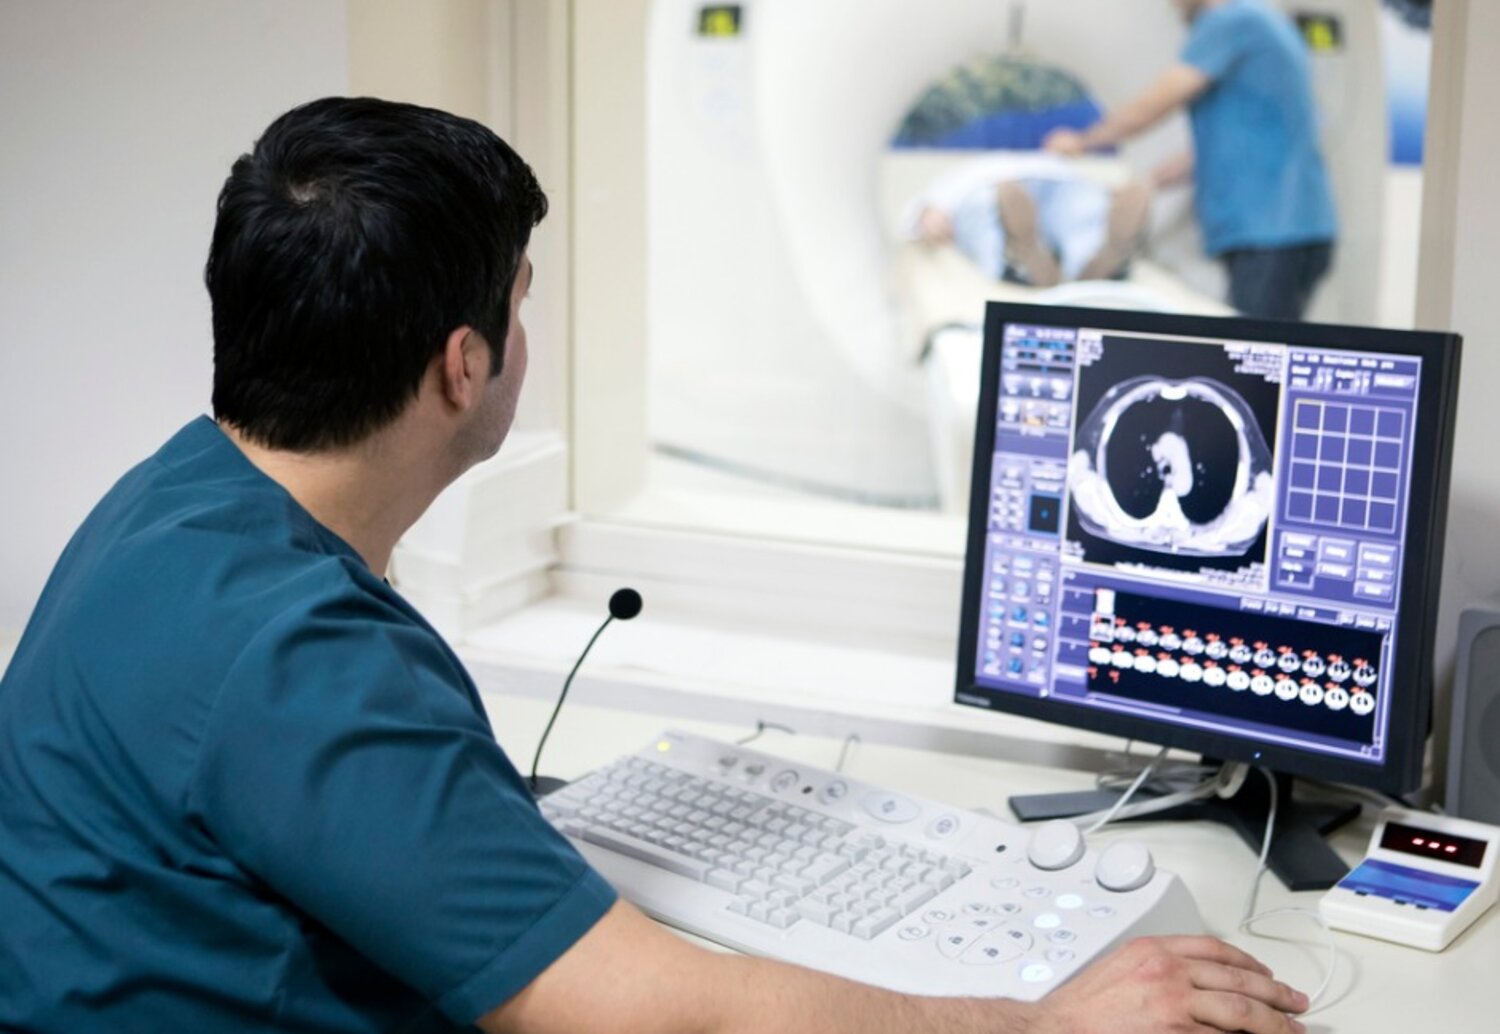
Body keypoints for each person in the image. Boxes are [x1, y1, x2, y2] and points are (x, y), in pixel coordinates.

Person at [0, 97, 1311, 1033]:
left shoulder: (172, 507)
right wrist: (1043, 1022)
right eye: (520, 304)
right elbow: (648, 1009)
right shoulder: (306, 662)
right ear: (463, 365)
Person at [1045, 0, 1337, 321]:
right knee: (1255, 344)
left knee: (1255, 349)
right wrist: (1149, 182)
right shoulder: (1260, 20)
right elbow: (1226, 149)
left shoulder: (1231, 21)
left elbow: (1153, 106)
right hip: (1287, 230)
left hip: (1272, 232)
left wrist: (1081, 141)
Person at [910, 156, 1154, 289]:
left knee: (982, 212)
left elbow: (918, 217)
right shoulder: (1058, 155)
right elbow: (921, 217)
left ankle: (1018, 258)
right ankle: (1099, 259)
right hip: (1061, 178)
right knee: (1086, 211)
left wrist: (927, 214)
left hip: (994, 187)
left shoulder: (958, 177)